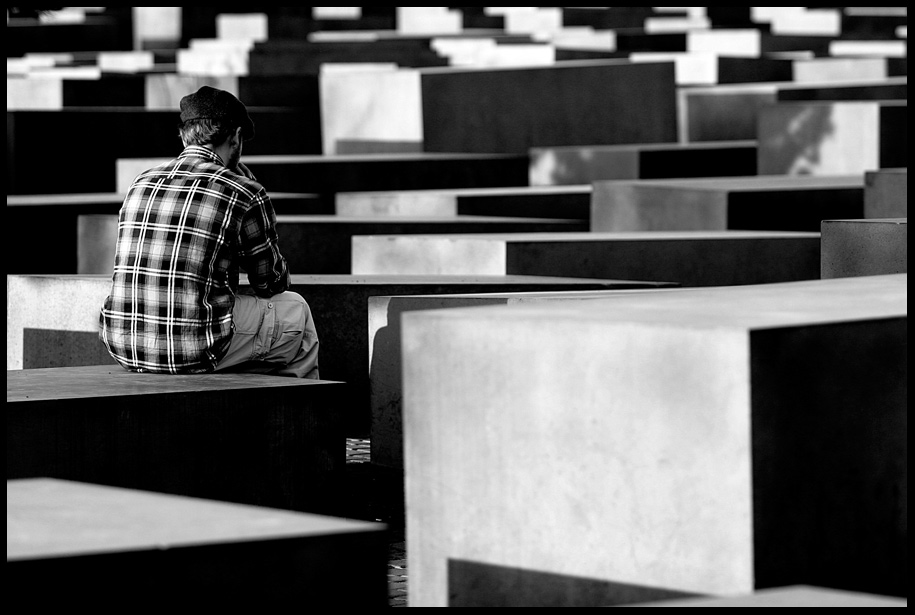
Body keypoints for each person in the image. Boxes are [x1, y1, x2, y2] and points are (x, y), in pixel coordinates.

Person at [99, 86, 319, 378]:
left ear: (185, 134)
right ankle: (300, 415)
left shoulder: (141, 181)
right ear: (236, 136)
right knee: (296, 313)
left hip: (123, 345)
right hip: (194, 347)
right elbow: (271, 283)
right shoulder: (243, 190)